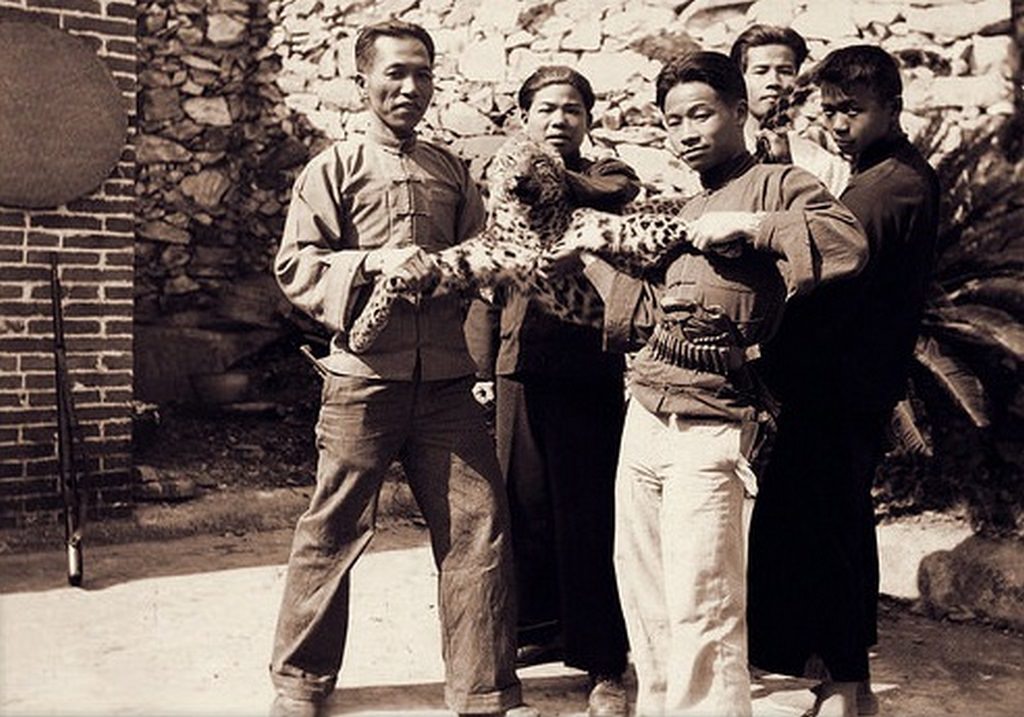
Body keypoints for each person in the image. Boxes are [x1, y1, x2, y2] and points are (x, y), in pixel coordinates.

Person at [554, 51, 868, 717]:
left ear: (739, 111)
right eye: (673, 121)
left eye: (700, 114)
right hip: (645, 413)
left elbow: (847, 244)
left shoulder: (781, 185)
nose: (686, 131)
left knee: (704, 598)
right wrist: (585, 260)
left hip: (715, 421)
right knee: (646, 594)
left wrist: (752, 227)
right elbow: (640, 317)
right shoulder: (683, 207)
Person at [269, 20, 534, 717]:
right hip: (362, 381)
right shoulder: (334, 167)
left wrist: (475, 274)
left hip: (446, 383)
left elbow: (487, 257)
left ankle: (482, 690)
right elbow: (296, 266)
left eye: (421, 72)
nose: (410, 87)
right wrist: (373, 263)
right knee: (332, 530)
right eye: (394, 73)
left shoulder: (450, 171)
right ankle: (300, 682)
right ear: (365, 81)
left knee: (479, 524)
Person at [748, 45, 940, 717]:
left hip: (838, 389)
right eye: (828, 110)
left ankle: (846, 688)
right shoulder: (882, 172)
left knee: (824, 536)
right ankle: (838, 683)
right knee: (833, 529)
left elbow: (823, 280)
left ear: (893, 107)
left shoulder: (886, 188)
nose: (837, 123)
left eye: (852, 111)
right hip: (846, 385)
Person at [466, 65, 640, 717]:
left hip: (588, 367)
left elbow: (616, 191)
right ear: (524, 117)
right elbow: (488, 278)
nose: (559, 119)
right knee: (523, 505)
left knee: (589, 510)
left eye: (572, 109)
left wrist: (543, 174)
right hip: (518, 365)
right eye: (545, 109)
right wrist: (482, 369)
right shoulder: (505, 192)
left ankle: (604, 661)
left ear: (588, 120)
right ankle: (537, 633)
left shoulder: (604, 179)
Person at [730, 24, 850, 196]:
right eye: (761, 71)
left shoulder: (821, 164)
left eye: (785, 71)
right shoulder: (718, 155)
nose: (774, 82)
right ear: (739, 80)